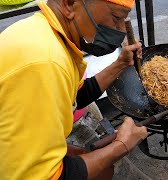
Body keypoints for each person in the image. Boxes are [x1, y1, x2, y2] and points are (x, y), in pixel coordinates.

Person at [0, 0, 148, 179]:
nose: (121, 31)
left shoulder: (45, 33)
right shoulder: (44, 62)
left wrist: (121, 64)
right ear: (69, 4)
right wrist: (122, 146)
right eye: (116, 17)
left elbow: (77, 96)